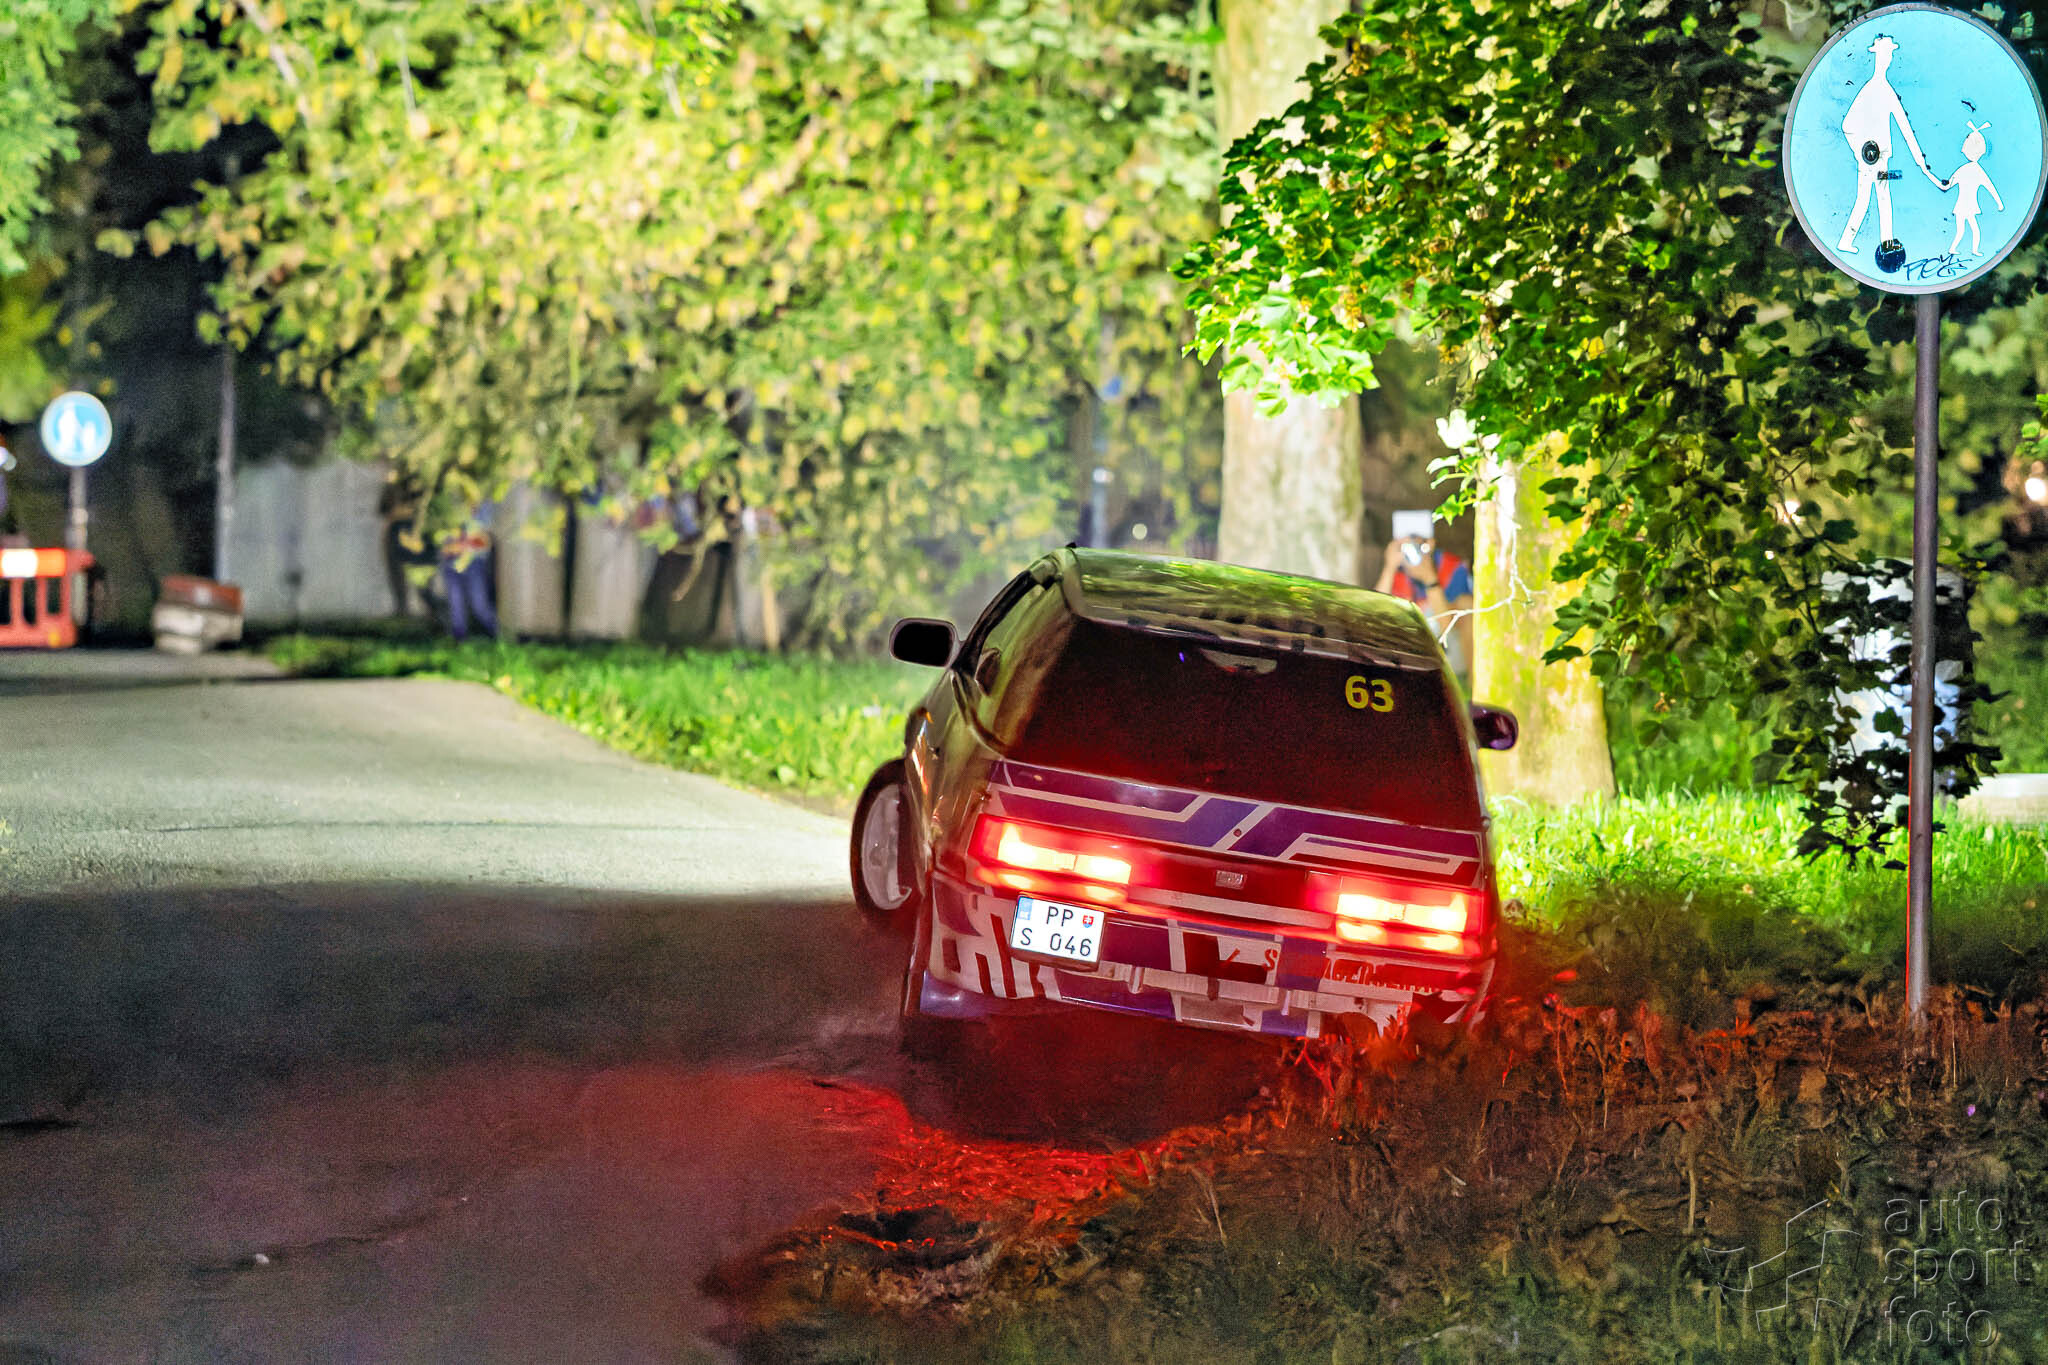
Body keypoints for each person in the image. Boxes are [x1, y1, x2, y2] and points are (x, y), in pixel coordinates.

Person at [1375, 528, 1474, 676]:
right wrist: (1389, 568)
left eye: (1416, 547)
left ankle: (1474, 684)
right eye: (1406, 548)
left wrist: (1430, 580)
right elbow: (1374, 615)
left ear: (1430, 545)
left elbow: (1447, 627)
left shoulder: (1451, 567)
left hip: (1448, 651)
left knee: (1465, 603)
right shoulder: (1397, 571)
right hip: (1408, 651)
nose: (1412, 554)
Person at [437, 500, 499, 641]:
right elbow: (442, 544)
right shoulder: (446, 509)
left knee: (480, 604)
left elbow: (485, 541)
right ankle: (459, 639)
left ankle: (497, 633)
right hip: (451, 563)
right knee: (456, 604)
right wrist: (450, 548)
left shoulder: (482, 510)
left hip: (474, 563)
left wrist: (464, 545)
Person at [1946, 121, 2005, 257]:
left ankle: (1961, 249)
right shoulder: (1976, 170)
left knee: (1963, 230)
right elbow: (1990, 188)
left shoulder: (1965, 170)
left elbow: (1947, 185)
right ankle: (1968, 250)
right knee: (1971, 230)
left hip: (1964, 206)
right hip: (1966, 206)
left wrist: (1931, 176)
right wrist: (1999, 203)